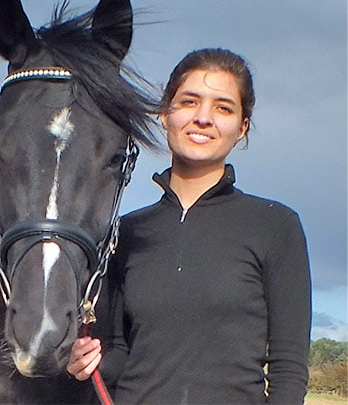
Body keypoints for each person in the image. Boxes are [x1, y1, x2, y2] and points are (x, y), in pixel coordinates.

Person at [67, 48, 312, 404]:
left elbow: (288, 369)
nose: (203, 118)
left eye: (223, 108)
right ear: (165, 114)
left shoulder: (275, 225)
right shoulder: (125, 233)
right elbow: (121, 352)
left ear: (242, 127)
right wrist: (88, 362)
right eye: (189, 102)